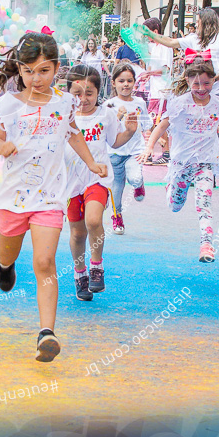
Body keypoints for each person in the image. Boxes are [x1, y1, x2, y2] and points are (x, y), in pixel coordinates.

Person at [0, 31, 107, 362]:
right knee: (7, 253)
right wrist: (3, 146)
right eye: (27, 71)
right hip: (12, 199)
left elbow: (73, 134)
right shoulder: (6, 106)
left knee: (44, 262)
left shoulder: (64, 103)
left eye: (43, 71)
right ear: (19, 70)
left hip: (50, 199)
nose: (34, 78)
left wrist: (92, 163)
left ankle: (46, 334)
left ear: (56, 69)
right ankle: (4, 265)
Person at [137, 60, 219, 263]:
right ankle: (171, 187)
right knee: (175, 205)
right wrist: (149, 147)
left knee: (204, 204)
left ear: (213, 81)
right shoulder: (180, 103)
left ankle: (206, 245)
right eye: (196, 84)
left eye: (206, 83)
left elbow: (218, 125)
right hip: (182, 163)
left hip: (205, 163)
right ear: (187, 82)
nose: (201, 89)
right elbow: (162, 125)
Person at [62, 64, 141, 301]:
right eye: (77, 94)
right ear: (68, 93)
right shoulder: (64, 116)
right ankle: (80, 275)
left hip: (97, 178)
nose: (83, 99)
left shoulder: (105, 114)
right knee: (77, 234)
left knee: (94, 220)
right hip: (69, 183)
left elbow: (115, 142)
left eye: (89, 93)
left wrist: (129, 132)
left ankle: (97, 267)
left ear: (98, 92)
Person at [144, 8, 219, 189]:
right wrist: (148, 32)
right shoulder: (194, 39)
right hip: (194, 94)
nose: (197, 25)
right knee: (194, 132)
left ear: (207, 22)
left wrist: (214, 78)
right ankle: (197, 172)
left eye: (199, 22)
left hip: (217, 93)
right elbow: (170, 42)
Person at [103, 63, 151, 235]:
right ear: (114, 82)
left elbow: (147, 125)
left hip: (135, 151)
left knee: (135, 178)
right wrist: (118, 116)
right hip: (114, 152)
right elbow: (105, 129)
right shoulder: (109, 105)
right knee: (116, 187)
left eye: (129, 81)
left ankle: (139, 185)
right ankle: (117, 217)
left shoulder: (140, 103)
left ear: (134, 82)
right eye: (121, 81)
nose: (125, 84)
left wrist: (150, 145)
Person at [142, 18, 173, 165]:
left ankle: (163, 153)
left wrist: (151, 73)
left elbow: (166, 69)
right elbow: (150, 68)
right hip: (153, 90)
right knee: (154, 121)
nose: (146, 36)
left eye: (147, 32)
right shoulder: (152, 47)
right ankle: (158, 152)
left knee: (157, 122)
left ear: (155, 31)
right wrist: (146, 76)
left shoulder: (166, 47)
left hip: (162, 91)